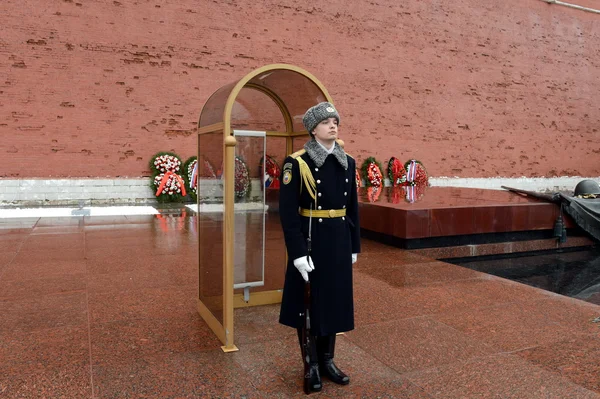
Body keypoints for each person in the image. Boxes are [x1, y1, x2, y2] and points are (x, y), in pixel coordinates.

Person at [278, 101, 361, 393]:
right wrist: (298, 254)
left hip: (338, 240)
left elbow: (352, 208)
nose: (333, 125)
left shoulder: (346, 161)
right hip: (311, 242)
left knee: (334, 301)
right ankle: (310, 364)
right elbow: (288, 214)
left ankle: (328, 360)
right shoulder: (297, 163)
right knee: (309, 305)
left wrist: (354, 245)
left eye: (335, 121)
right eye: (327, 122)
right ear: (314, 129)